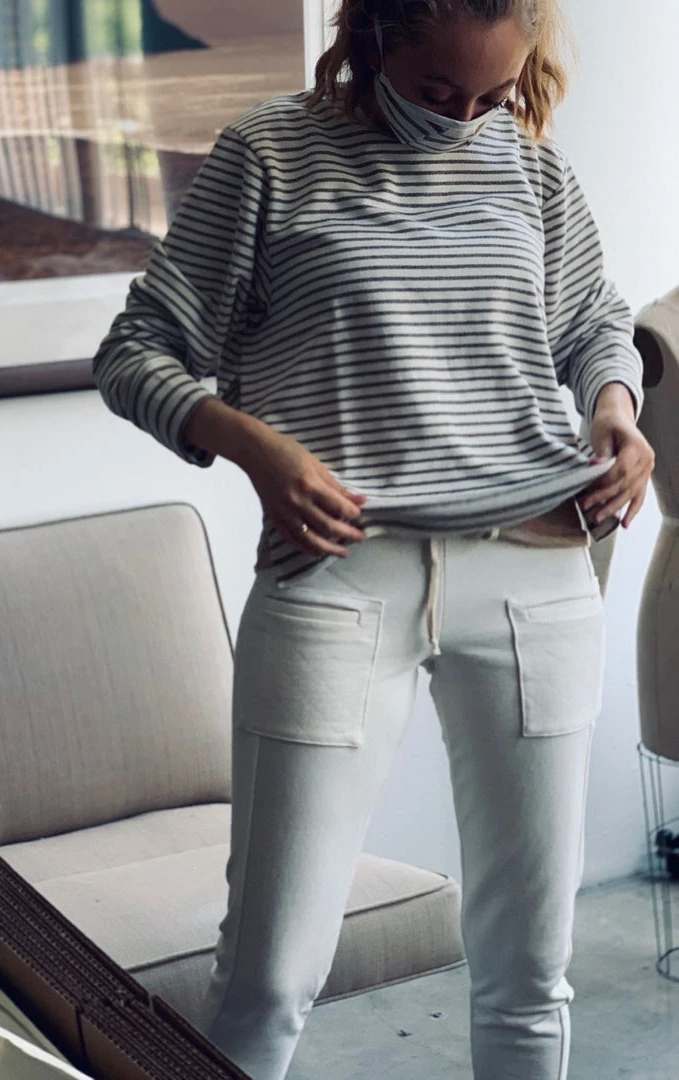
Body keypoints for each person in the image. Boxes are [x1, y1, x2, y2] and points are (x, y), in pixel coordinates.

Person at [92, 1, 655, 1077]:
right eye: (437, 91)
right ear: (372, 41)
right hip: (336, 578)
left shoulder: (532, 167)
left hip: (535, 571)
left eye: (493, 95)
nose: (464, 118)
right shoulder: (269, 152)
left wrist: (614, 410)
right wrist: (257, 448)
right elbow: (136, 350)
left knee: (530, 973)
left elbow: (593, 324)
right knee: (268, 977)